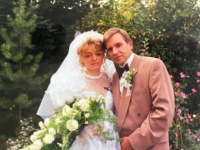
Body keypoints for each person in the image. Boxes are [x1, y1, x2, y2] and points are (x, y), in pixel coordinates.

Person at [37, 31, 120, 150]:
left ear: (104, 55)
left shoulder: (111, 77)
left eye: (98, 53)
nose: (94, 58)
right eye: (88, 55)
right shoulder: (72, 83)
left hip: (112, 140)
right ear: (81, 58)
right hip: (87, 143)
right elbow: (62, 118)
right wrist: (84, 130)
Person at [103, 27, 175, 150]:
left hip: (150, 145)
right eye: (110, 49)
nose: (115, 51)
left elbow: (164, 112)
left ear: (130, 44)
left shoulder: (153, 66)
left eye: (118, 45)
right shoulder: (114, 77)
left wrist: (133, 142)